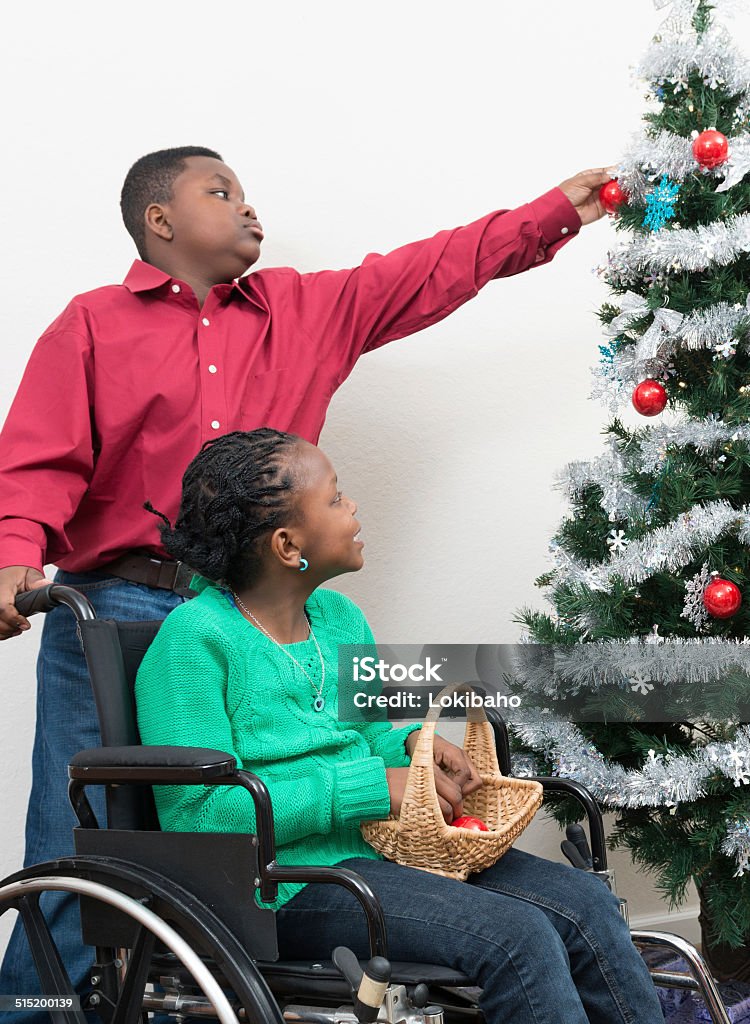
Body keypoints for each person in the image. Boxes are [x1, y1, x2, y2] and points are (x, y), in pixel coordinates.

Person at [0, 145, 612, 1008]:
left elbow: (430, 269)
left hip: (253, 602)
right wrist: (15, 550)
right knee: (83, 841)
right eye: (221, 192)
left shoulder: (305, 307)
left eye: (248, 193)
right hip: (111, 600)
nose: (250, 209)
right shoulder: (92, 324)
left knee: (267, 796)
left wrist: (554, 211)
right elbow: (39, 454)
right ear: (159, 221)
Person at [133, 428, 665, 1024]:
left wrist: (411, 744)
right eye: (335, 499)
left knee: (586, 904)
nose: (352, 507)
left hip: (385, 855)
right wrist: (370, 786)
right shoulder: (193, 644)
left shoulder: (338, 618)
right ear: (288, 545)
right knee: (518, 938)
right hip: (280, 887)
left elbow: (366, 736)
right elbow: (201, 815)